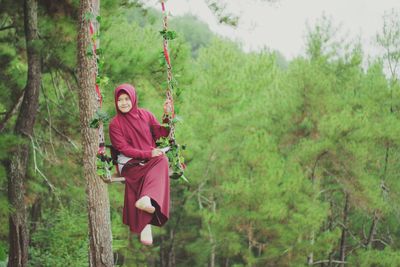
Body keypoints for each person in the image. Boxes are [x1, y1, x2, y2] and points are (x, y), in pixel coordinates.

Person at [109, 83, 170, 245]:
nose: (123, 103)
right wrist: (148, 154)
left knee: (163, 159)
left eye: (127, 99)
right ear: (116, 102)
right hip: (129, 163)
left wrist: (167, 115)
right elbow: (124, 148)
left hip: (148, 159)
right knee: (154, 165)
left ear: (133, 98)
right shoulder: (115, 124)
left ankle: (145, 210)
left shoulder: (146, 115)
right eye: (120, 99)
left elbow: (161, 135)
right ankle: (146, 217)